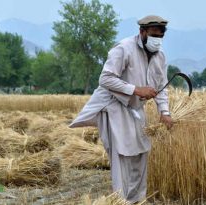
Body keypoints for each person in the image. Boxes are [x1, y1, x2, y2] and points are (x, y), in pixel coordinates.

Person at [69, 15, 172, 203]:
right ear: (142, 32)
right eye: (153, 36)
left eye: (160, 37)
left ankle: (137, 200)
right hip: (114, 105)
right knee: (122, 155)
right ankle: (119, 200)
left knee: (141, 153)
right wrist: (136, 89)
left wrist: (164, 112)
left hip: (135, 109)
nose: (157, 41)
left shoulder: (160, 56)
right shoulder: (124, 48)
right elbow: (105, 79)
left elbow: (162, 86)